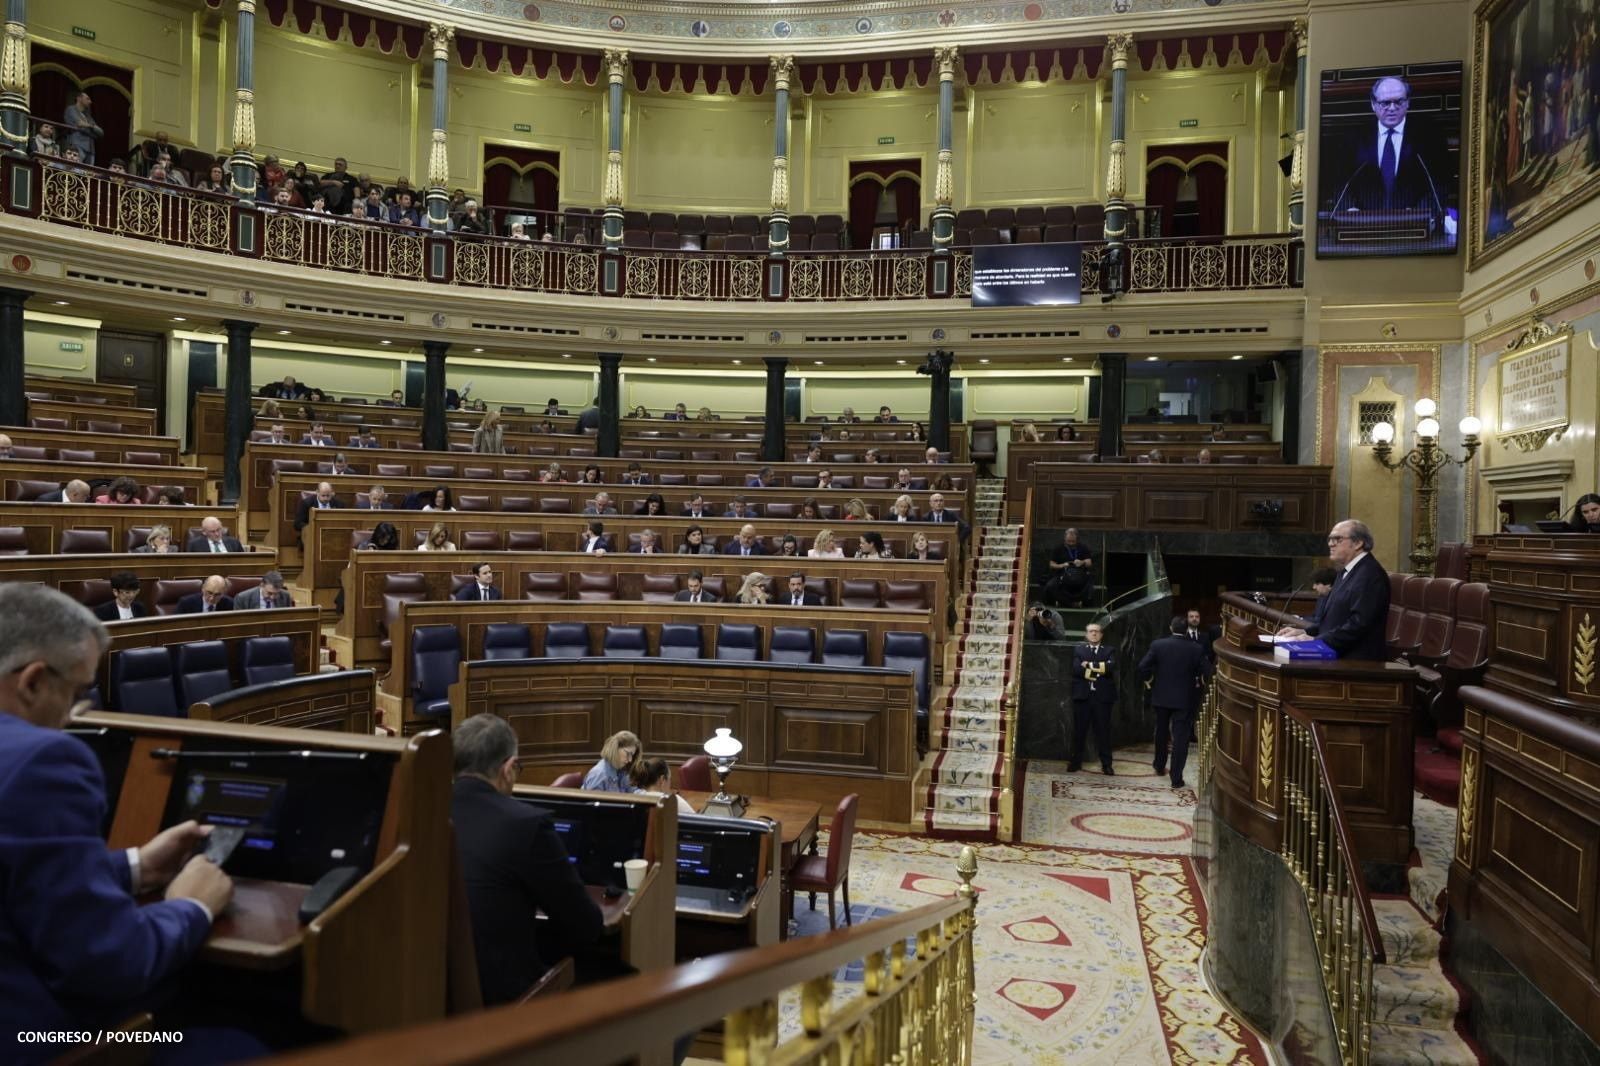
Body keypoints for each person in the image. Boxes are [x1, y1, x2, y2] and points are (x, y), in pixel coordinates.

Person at [0, 585, 236, 1051]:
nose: (72, 717)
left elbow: (19, 877)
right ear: (33, 682)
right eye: (76, 693)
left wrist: (135, 867)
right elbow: (109, 963)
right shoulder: (42, 760)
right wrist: (191, 906)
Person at [450, 714, 603, 1006]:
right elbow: (586, 926)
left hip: (434, 996)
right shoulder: (525, 824)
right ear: (508, 769)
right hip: (508, 1002)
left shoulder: (422, 812)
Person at [1326, 75, 1453, 244]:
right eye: (1385, 103)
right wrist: (1349, 210)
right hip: (1363, 232)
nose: (1392, 108)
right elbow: (1340, 183)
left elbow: (1439, 183)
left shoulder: (1429, 136)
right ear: (1373, 104)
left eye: (1399, 102)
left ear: (1408, 103)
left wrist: (1420, 214)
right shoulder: (1354, 138)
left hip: (1415, 234)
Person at [1275, 519, 1391, 661]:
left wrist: (1316, 640)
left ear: (1358, 543)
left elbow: (1359, 624)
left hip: (1357, 661)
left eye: (1337, 539)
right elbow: (1333, 621)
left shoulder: (1370, 574)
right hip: (1338, 654)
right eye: (1330, 539)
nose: (1330, 544)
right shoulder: (1345, 572)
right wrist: (1304, 631)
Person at [1140, 617, 1213, 787]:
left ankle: (1159, 766)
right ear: (1186, 630)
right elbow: (1208, 671)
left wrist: (1150, 681)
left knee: (1161, 732)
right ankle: (1176, 778)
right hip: (1185, 699)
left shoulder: (1158, 645)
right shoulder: (1196, 648)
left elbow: (1142, 666)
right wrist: (1199, 683)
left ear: (1171, 628)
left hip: (1161, 697)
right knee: (1181, 738)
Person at [1069, 622, 1116, 775]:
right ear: (1086, 634)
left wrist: (1088, 665)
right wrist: (1099, 668)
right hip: (1083, 697)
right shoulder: (1079, 649)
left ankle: (1107, 764)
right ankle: (1076, 762)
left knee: (1103, 732)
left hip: (1102, 698)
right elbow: (1077, 669)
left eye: (1097, 631)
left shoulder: (1109, 650)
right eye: (1091, 631)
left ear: (1101, 634)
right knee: (1079, 731)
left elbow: (1110, 667)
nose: (1094, 634)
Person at [1045, 528, 1094, 608]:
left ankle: (1063, 603)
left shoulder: (1083, 547)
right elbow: (1051, 564)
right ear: (1065, 538)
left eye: (1073, 541)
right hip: (1062, 574)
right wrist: (1061, 565)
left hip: (1080, 574)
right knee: (1050, 586)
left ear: (1077, 539)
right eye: (1069, 541)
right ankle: (1072, 604)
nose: (1071, 543)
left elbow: (1089, 563)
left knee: (1089, 587)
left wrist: (1082, 562)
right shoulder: (1058, 548)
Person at [62, 91, 104, 165]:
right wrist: (92, 128)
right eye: (87, 99)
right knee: (75, 167)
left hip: (91, 148)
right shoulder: (71, 109)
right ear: (79, 98)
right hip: (77, 144)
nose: (90, 102)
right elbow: (79, 123)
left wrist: (89, 126)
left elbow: (101, 133)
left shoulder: (88, 116)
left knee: (88, 171)